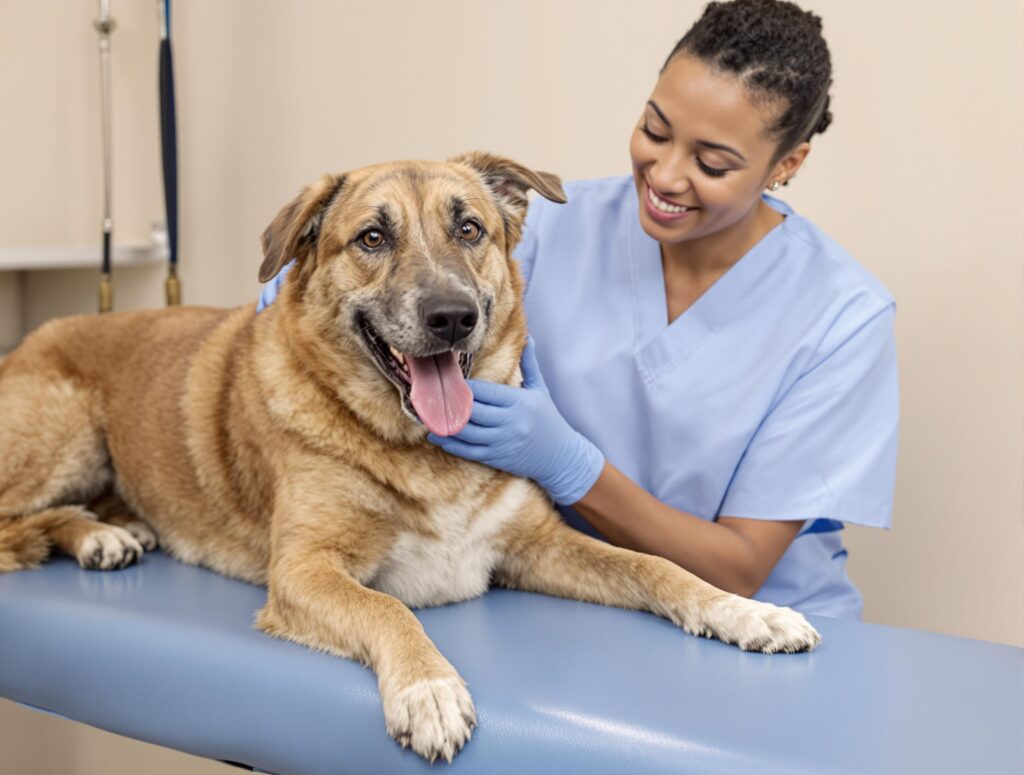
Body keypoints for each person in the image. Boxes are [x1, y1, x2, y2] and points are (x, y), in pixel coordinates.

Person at [258, 0, 898, 620]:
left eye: (711, 162)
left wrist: (567, 465)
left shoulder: (842, 318)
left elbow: (740, 568)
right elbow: (424, 224)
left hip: (767, 622)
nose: (667, 175)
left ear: (786, 164)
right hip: (578, 600)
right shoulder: (553, 226)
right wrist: (305, 286)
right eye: (655, 130)